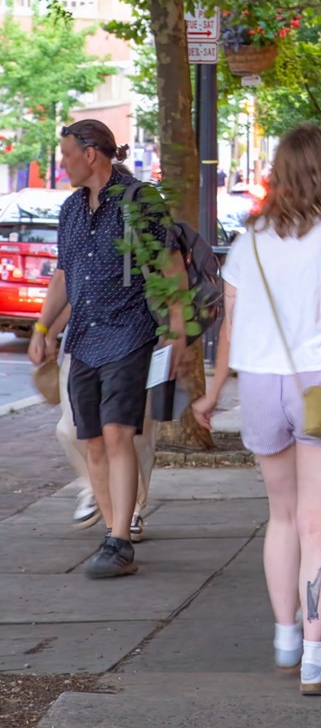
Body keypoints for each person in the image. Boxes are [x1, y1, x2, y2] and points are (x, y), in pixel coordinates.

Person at [194, 122, 321, 698]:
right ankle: (314, 659)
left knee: (281, 516)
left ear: (278, 172)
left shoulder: (250, 239)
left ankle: (285, 637)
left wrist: (212, 393)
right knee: (320, 524)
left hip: (261, 384)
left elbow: (229, 329)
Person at [29, 120, 187, 579]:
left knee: (119, 434)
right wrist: (43, 326)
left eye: (66, 155)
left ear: (91, 153)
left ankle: (120, 538)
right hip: (84, 338)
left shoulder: (140, 201)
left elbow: (171, 265)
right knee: (90, 439)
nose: (63, 164)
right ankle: (111, 532)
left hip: (129, 332)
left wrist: (178, 333)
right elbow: (65, 274)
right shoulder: (72, 209)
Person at [49, 300, 156, 540]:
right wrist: (45, 330)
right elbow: (67, 285)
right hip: (82, 340)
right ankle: (95, 489)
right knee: (72, 430)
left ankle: (131, 512)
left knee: (128, 433)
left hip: (131, 337)